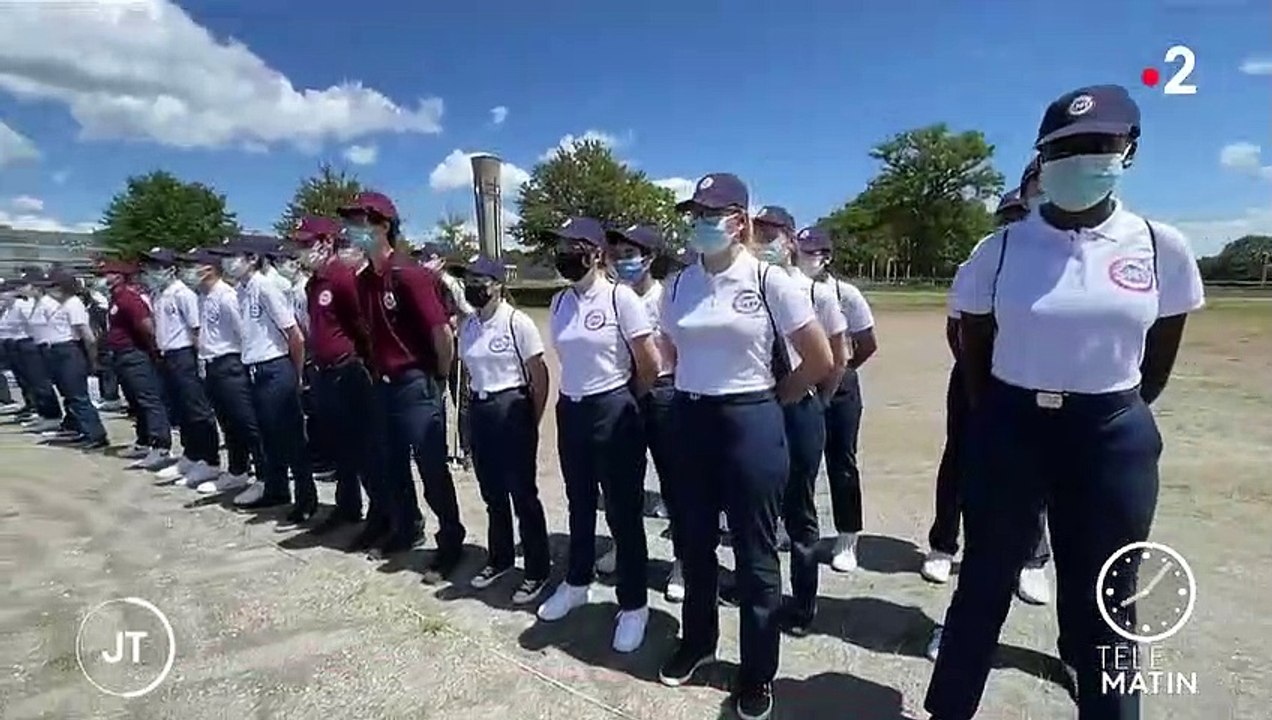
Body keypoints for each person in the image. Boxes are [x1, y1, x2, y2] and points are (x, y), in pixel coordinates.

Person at [925, 84, 1206, 720]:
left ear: (1126, 152)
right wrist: (1002, 414)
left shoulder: (1161, 246)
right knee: (983, 586)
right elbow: (974, 346)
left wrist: (1101, 409)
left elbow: (1154, 359)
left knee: (1107, 595)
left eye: (1096, 146)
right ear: (1042, 160)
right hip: (1012, 430)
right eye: (1063, 148)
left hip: (1109, 437)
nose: (1079, 159)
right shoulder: (997, 251)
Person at [657, 173, 832, 720]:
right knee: (694, 542)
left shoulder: (768, 280)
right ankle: (699, 641)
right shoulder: (680, 284)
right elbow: (670, 346)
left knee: (756, 558)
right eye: (696, 214)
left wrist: (769, 401)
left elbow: (820, 359)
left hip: (751, 420)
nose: (702, 223)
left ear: (740, 221)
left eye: (713, 214)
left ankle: (757, 672)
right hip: (690, 419)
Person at [923, 180, 1054, 603]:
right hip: (973, 376)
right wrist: (975, 370)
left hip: (1033, 377)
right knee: (960, 459)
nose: (1016, 222)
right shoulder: (981, 260)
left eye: (1022, 214)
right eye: (1010, 216)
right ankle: (943, 544)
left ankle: (1033, 560)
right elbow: (955, 327)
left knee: (1035, 471)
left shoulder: (1051, 265)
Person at [535, 216, 659, 656]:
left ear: (594, 253)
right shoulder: (559, 303)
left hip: (613, 407)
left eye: (572, 246)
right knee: (580, 503)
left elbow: (649, 365)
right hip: (572, 409)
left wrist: (624, 402)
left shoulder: (621, 299)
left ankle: (634, 603)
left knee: (623, 513)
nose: (563, 255)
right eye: (559, 247)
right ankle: (577, 581)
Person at [342, 191, 466, 578]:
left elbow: (441, 333)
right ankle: (407, 527)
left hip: (417, 382)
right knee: (391, 464)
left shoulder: (411, 275)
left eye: (360, 222)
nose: (353, 231)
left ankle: (450, 540)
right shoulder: (364, 280)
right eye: (351, 223)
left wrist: (439, 376)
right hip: (384, 383)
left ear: (383, 226)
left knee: (430, 467)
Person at [750, 208, 849, 637]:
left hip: (799, 408)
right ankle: (760, 592)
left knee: (800, 511)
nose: (763, 240)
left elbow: (839, 356)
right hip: (758, 408)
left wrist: (812, 400)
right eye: (758, 233)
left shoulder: (815, 293)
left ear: (790, 239)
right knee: (756, 508)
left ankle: (804, 603)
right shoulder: (751, 289)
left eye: (771, 233)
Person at [456, 255, 552, 605]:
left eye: (480, 279)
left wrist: (530, 421)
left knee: (523, 496)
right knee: (492, 493)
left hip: (511, 407)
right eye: (468, 279)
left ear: (498, 284)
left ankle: (537, 569)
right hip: (481, 409)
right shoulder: (468, 326)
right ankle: (500, 559)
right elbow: (467, 375)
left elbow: (539, 377)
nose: (473, 286)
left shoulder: (518, 323)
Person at [604, 223, 684, 602]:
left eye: (630, 255)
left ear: (650, 258)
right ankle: (624, 547)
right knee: (622, 483)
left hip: (664, 394)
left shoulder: (668, 299)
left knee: (676, 484)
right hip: (623, 393)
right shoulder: (611, 298)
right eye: (617, 256)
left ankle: (683, 562)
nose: (622, 262)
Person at [212, 237, 316, 525]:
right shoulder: (242, 291)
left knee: (291, 437)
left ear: (252, 259)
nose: (227, 263)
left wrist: (294, 376)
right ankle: (277, 489)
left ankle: (306, 498)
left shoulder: (265, 287)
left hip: (275, 368)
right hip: (254, 369)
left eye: (233, 256)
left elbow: (294, 335)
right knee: (269, 438)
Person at [795, 228, 878, 572]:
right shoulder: (788, 287)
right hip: (802, 383)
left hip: (841, 388)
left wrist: (840, 370)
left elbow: (867, 342)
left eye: (813, 253)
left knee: (841, 462)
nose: (805, 258)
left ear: (827, 257)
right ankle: (797, 527)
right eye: (801, 251)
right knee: (800, 465)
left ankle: (847, 537)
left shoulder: (846, 294)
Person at [291, 215, 379, 537]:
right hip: (324, 373)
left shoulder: (341, 277)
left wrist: (367, 366)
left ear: (326, 243)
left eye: (306, 243)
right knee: (339, 446)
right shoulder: (314, 282)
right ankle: (347, 507)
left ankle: (380, 514)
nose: (300, 250)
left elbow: (362, 326)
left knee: (364, 448)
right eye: (298, 244)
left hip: (348, 371)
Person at [177, 247, 259, 495]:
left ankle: (266, 476)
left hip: (230, 363)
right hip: (211, 364)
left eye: (192, 265)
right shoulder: (203, 296)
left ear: (209, 268)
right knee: (228, 423)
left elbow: (242, 332)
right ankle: (237, 471)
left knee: (246, 423)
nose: (187, 270)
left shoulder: (226, 296)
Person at [141, 249, 223, 487]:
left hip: (185, 353)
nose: (152, 272)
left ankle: (209, 460)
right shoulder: (159, 294)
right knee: (181, 409)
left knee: (197, 409)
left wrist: (199, 360)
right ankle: (191, 454)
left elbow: (196, 329)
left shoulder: (183, 294)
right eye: (150, 267)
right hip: (167, 355)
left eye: (157, 267)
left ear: (170, 268)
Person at [93, 259, 173, 469]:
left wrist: (153, 350)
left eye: (106, 274)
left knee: (148, 400)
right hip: (121, 355)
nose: (102, 278)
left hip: (134, 354)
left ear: (118, 276)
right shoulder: (116, 298)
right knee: (135, 402)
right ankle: (144, 441)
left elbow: (146, 325)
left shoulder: (129, 298)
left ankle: (161, 445)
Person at [36, 268, 109, 449]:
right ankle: (78, 428)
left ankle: (96, 435)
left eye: (53, 286)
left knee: (78, 396)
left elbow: (88, 336)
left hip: (69, 351)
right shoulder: (57, 304)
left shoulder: (73, 303)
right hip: (56, 351)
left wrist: (93, 360)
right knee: (68, 394)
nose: (49, 291)